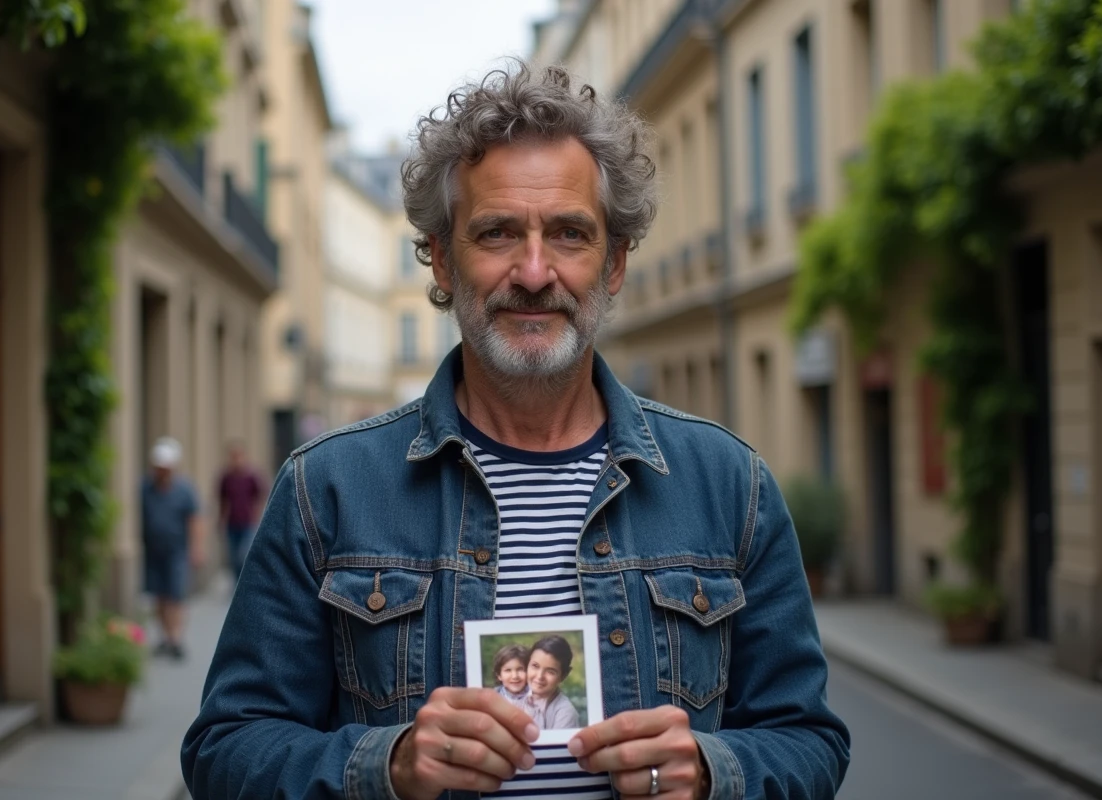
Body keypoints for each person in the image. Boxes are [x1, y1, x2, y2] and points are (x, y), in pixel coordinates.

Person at [182, 61, 849, 800]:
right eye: (497, 232)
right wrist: (388, 764)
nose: (535, 272)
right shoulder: (327, 488)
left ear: (616, 261)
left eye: (569, 234)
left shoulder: (729, 484)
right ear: (441, 256)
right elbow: (224, 750)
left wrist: (716, 772)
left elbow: (810, 742)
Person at [141, 436, 203, 660]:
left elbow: (195, 519)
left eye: (165, 467)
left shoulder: (184, 489)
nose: (161, 471)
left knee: (176, 595)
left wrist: (197, 548)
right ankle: (165, 636)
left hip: (177, 549)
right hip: (152, 549)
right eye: (158, 467)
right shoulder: (145, 488)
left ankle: (176, 638)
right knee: (158, 595)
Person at [217, 440, 264, 582]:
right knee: (233, 557)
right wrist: (221, 520)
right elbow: (223, 500)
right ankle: (237, 583)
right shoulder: (226, 478)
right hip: (232, 522)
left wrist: (257, 517)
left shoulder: (251, 477)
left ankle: (246, 581)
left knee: (243, 555)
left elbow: (259, 498)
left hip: (248, 522)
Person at [522, 636, 579, 731]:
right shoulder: (516, 695)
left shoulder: (565, 713)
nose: (539, 676)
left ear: (564, 675)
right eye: (535, 666)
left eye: (550, 671)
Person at [491, 644, 530, 709]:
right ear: (499, 675)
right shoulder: (493, 698)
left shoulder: (536, 696)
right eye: (508, 670)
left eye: (520, 669)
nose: (515, 676)